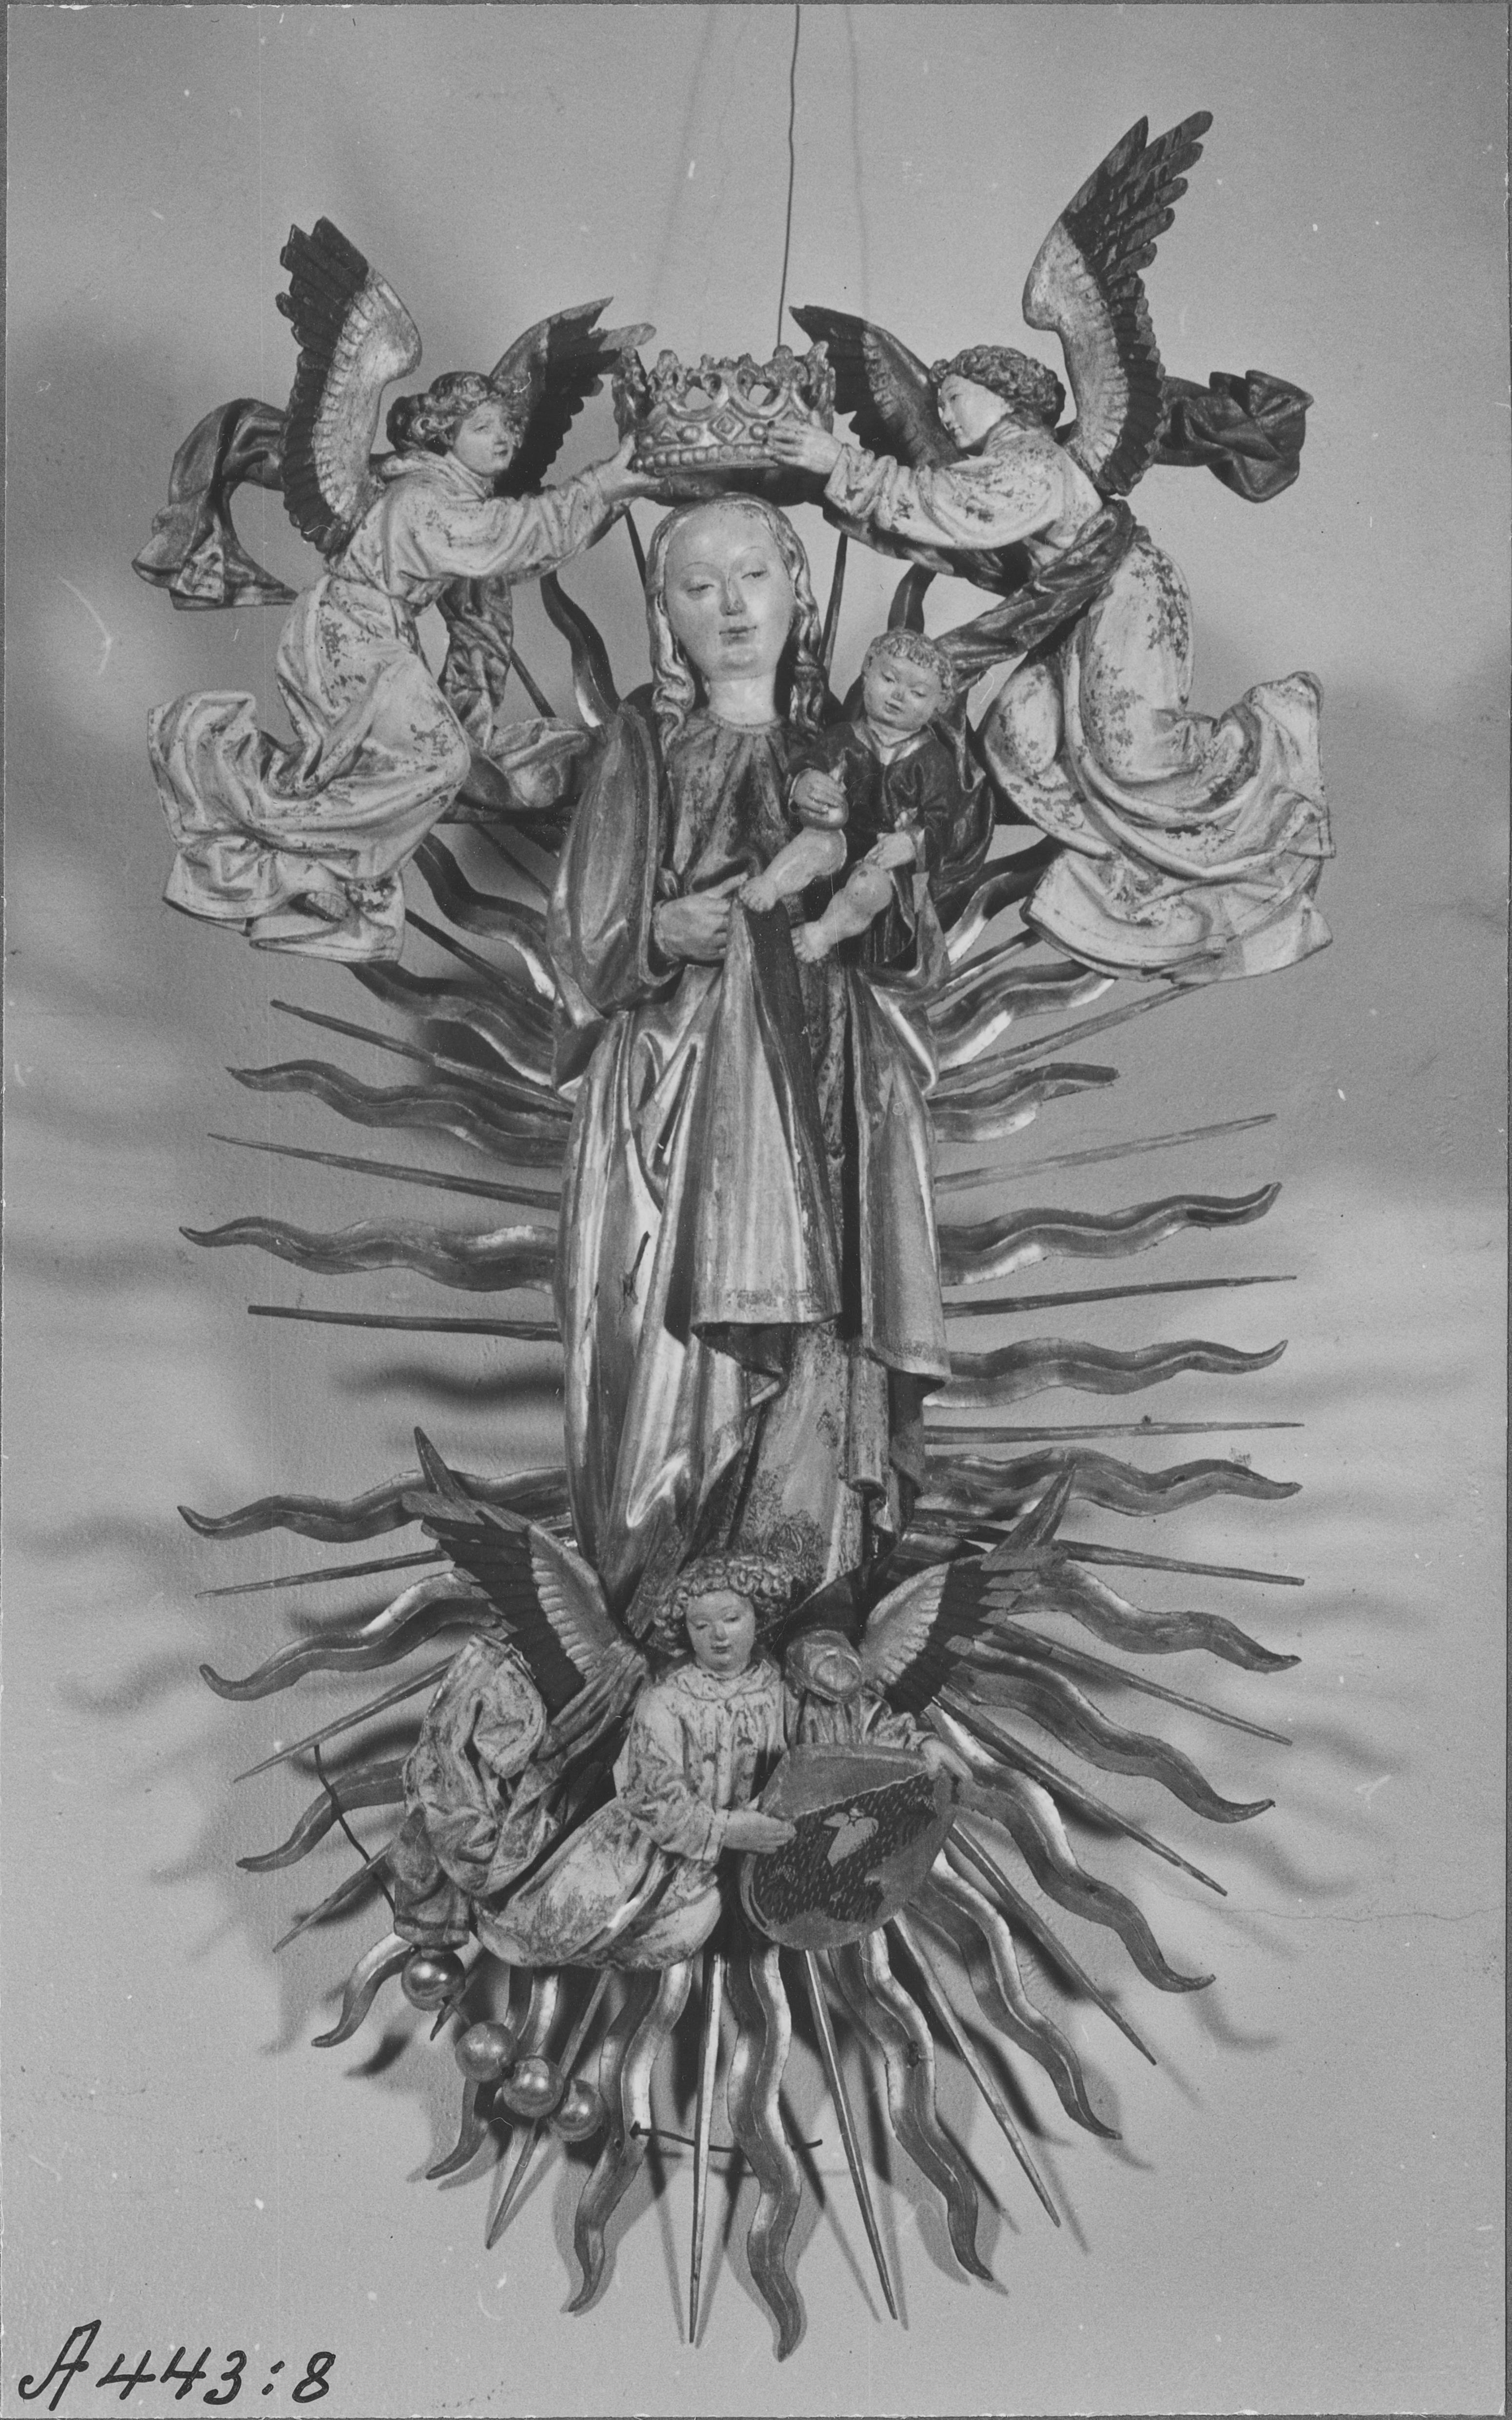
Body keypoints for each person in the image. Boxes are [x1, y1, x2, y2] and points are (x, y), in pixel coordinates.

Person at [548, 496, 954, 1623]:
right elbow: (581, 944)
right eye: (697, 585)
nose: (730, 606)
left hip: (826, 1081)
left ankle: (801, 1598)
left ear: (797, 592)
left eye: (753, 576)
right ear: (663, 614)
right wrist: (652, 932)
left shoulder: (847, 747)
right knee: (677, 1343)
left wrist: (889, 887)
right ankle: (665, 1607)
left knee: (822, 1332)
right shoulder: (642, 743)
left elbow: (909, 939)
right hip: (682, 1093)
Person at [765, 348, 1331, 983]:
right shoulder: (1001, 461)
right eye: (941, 403)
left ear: (1006, 397)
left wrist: (839, 464)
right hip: (1065, 608)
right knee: (1017, 746)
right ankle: (1121, 871)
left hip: (1125, 595)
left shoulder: (1030, 461)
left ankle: (1271, 755)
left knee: (1132, 754)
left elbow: (955, 507)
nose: (945, 416)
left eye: (955, 398)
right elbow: (952, 510)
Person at [149, 374, 653, 962]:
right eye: (483, 427)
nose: (506, 439)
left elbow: (519, 558)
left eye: (510, 426)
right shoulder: (424, 499)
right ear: (443, 435)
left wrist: (617, 493)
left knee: (398, 768)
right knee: (437, 761)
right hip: (348, 635)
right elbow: (510, 537)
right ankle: (287, 860)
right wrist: (603, 482)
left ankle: (322, 877)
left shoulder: (459, 500)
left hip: (367, 634)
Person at [477, 1558, 796, 1971]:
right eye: (701, 1625)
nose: (719, 1635)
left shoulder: (780, 1689)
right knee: (642, 1926)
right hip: (652, 1854)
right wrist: (727, 1830)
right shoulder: (666, 1700)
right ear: (685, 1631)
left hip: (758, 1852)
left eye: (732, 1618)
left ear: (758, 1615)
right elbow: (653, 1796)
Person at [744, 627, 981, 977]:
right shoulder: (844, 738)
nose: (898, 696)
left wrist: (911, 842)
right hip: (837, 840)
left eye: (918, 693)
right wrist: (806, 786)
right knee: (816, 843)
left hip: (886, 865)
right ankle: (772, 884)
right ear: (867, 671)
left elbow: (943, 822)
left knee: (869, 887)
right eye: (889, 678)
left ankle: (823, 933)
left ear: (939, 704)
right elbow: (808, 767)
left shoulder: (933, 761)